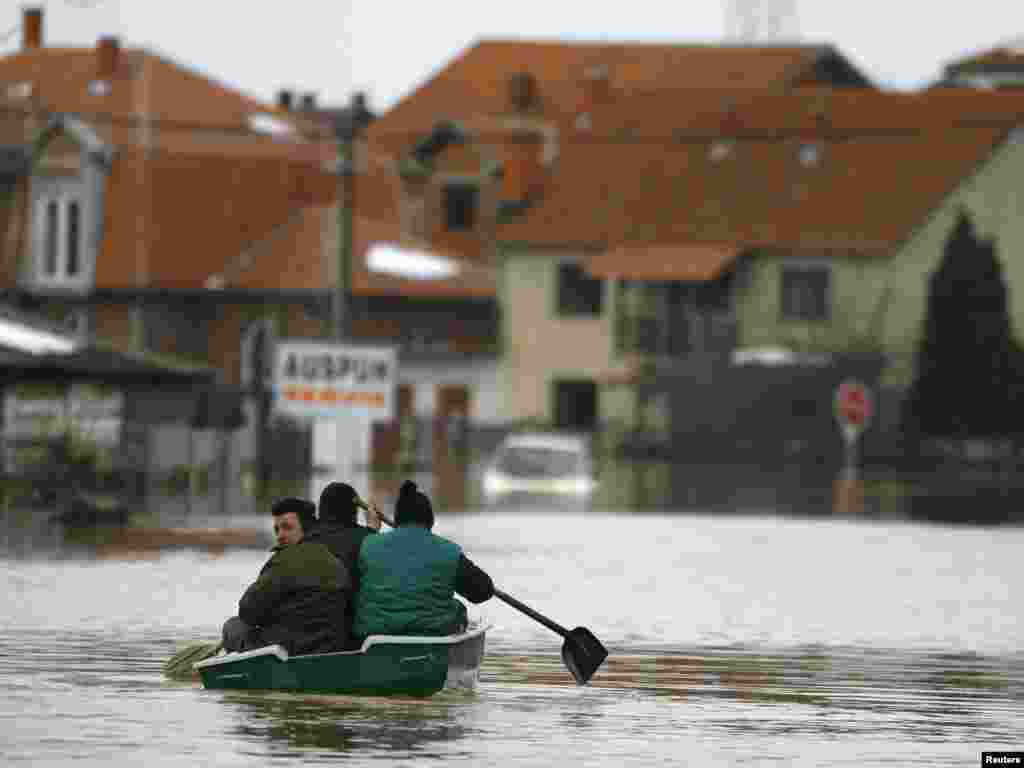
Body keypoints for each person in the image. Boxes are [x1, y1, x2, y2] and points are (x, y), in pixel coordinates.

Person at [353, 480, 494, 639]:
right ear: (431, 520)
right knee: (458, 608)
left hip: (373, 632)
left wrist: (371, 529)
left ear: (397, 519)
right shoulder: (448, 551)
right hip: (433, 632)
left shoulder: (368, 544)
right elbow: (483, 591)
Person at [221, 497, 351, 655]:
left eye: (287, 528)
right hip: (331, 646)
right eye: (277, 530)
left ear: (307, 529)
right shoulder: (336, 561)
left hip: (289, 648)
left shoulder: (284, 560)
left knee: (233, 626)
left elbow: (248, 611)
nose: (280, 536)